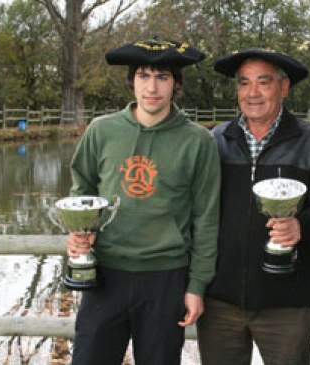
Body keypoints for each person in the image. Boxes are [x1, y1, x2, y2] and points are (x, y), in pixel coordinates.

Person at [65, 38, 221, 365]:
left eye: (163, 77)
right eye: (144, 76)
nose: (152, 87)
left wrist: (197, 286)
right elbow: (82, 190)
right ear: (132, 81)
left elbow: (206, 218)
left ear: (176, 84)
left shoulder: (197, 141)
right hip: (105, 275)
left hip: (166, 278)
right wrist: (79, 233)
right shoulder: (101, 131)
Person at [196, 48, 310, 365]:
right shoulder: (215, 140)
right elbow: (197, 213)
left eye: (264, 82)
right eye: (244, 83)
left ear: (284, 87)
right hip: (220, 302)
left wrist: (302, 227)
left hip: (287, 303)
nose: (253, 93)